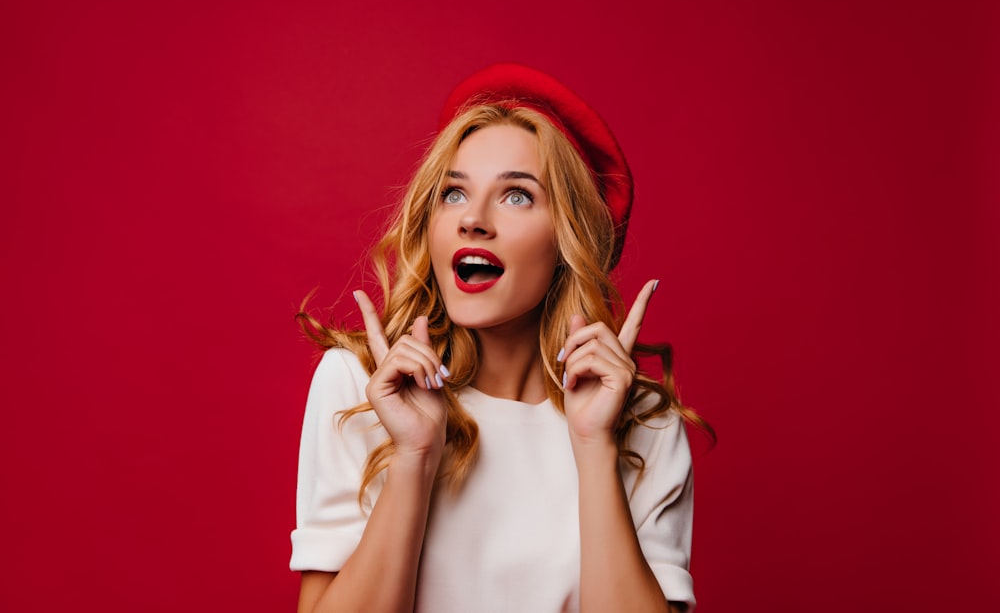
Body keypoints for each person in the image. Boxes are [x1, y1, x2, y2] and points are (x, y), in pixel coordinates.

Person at [291, 64, 710, 612]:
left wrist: (594, 447)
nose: (473, 220)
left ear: (569, 239)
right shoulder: (363, 385)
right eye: (453, 193)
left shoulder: (645, 422)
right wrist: (415, 457)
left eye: (516, 196)